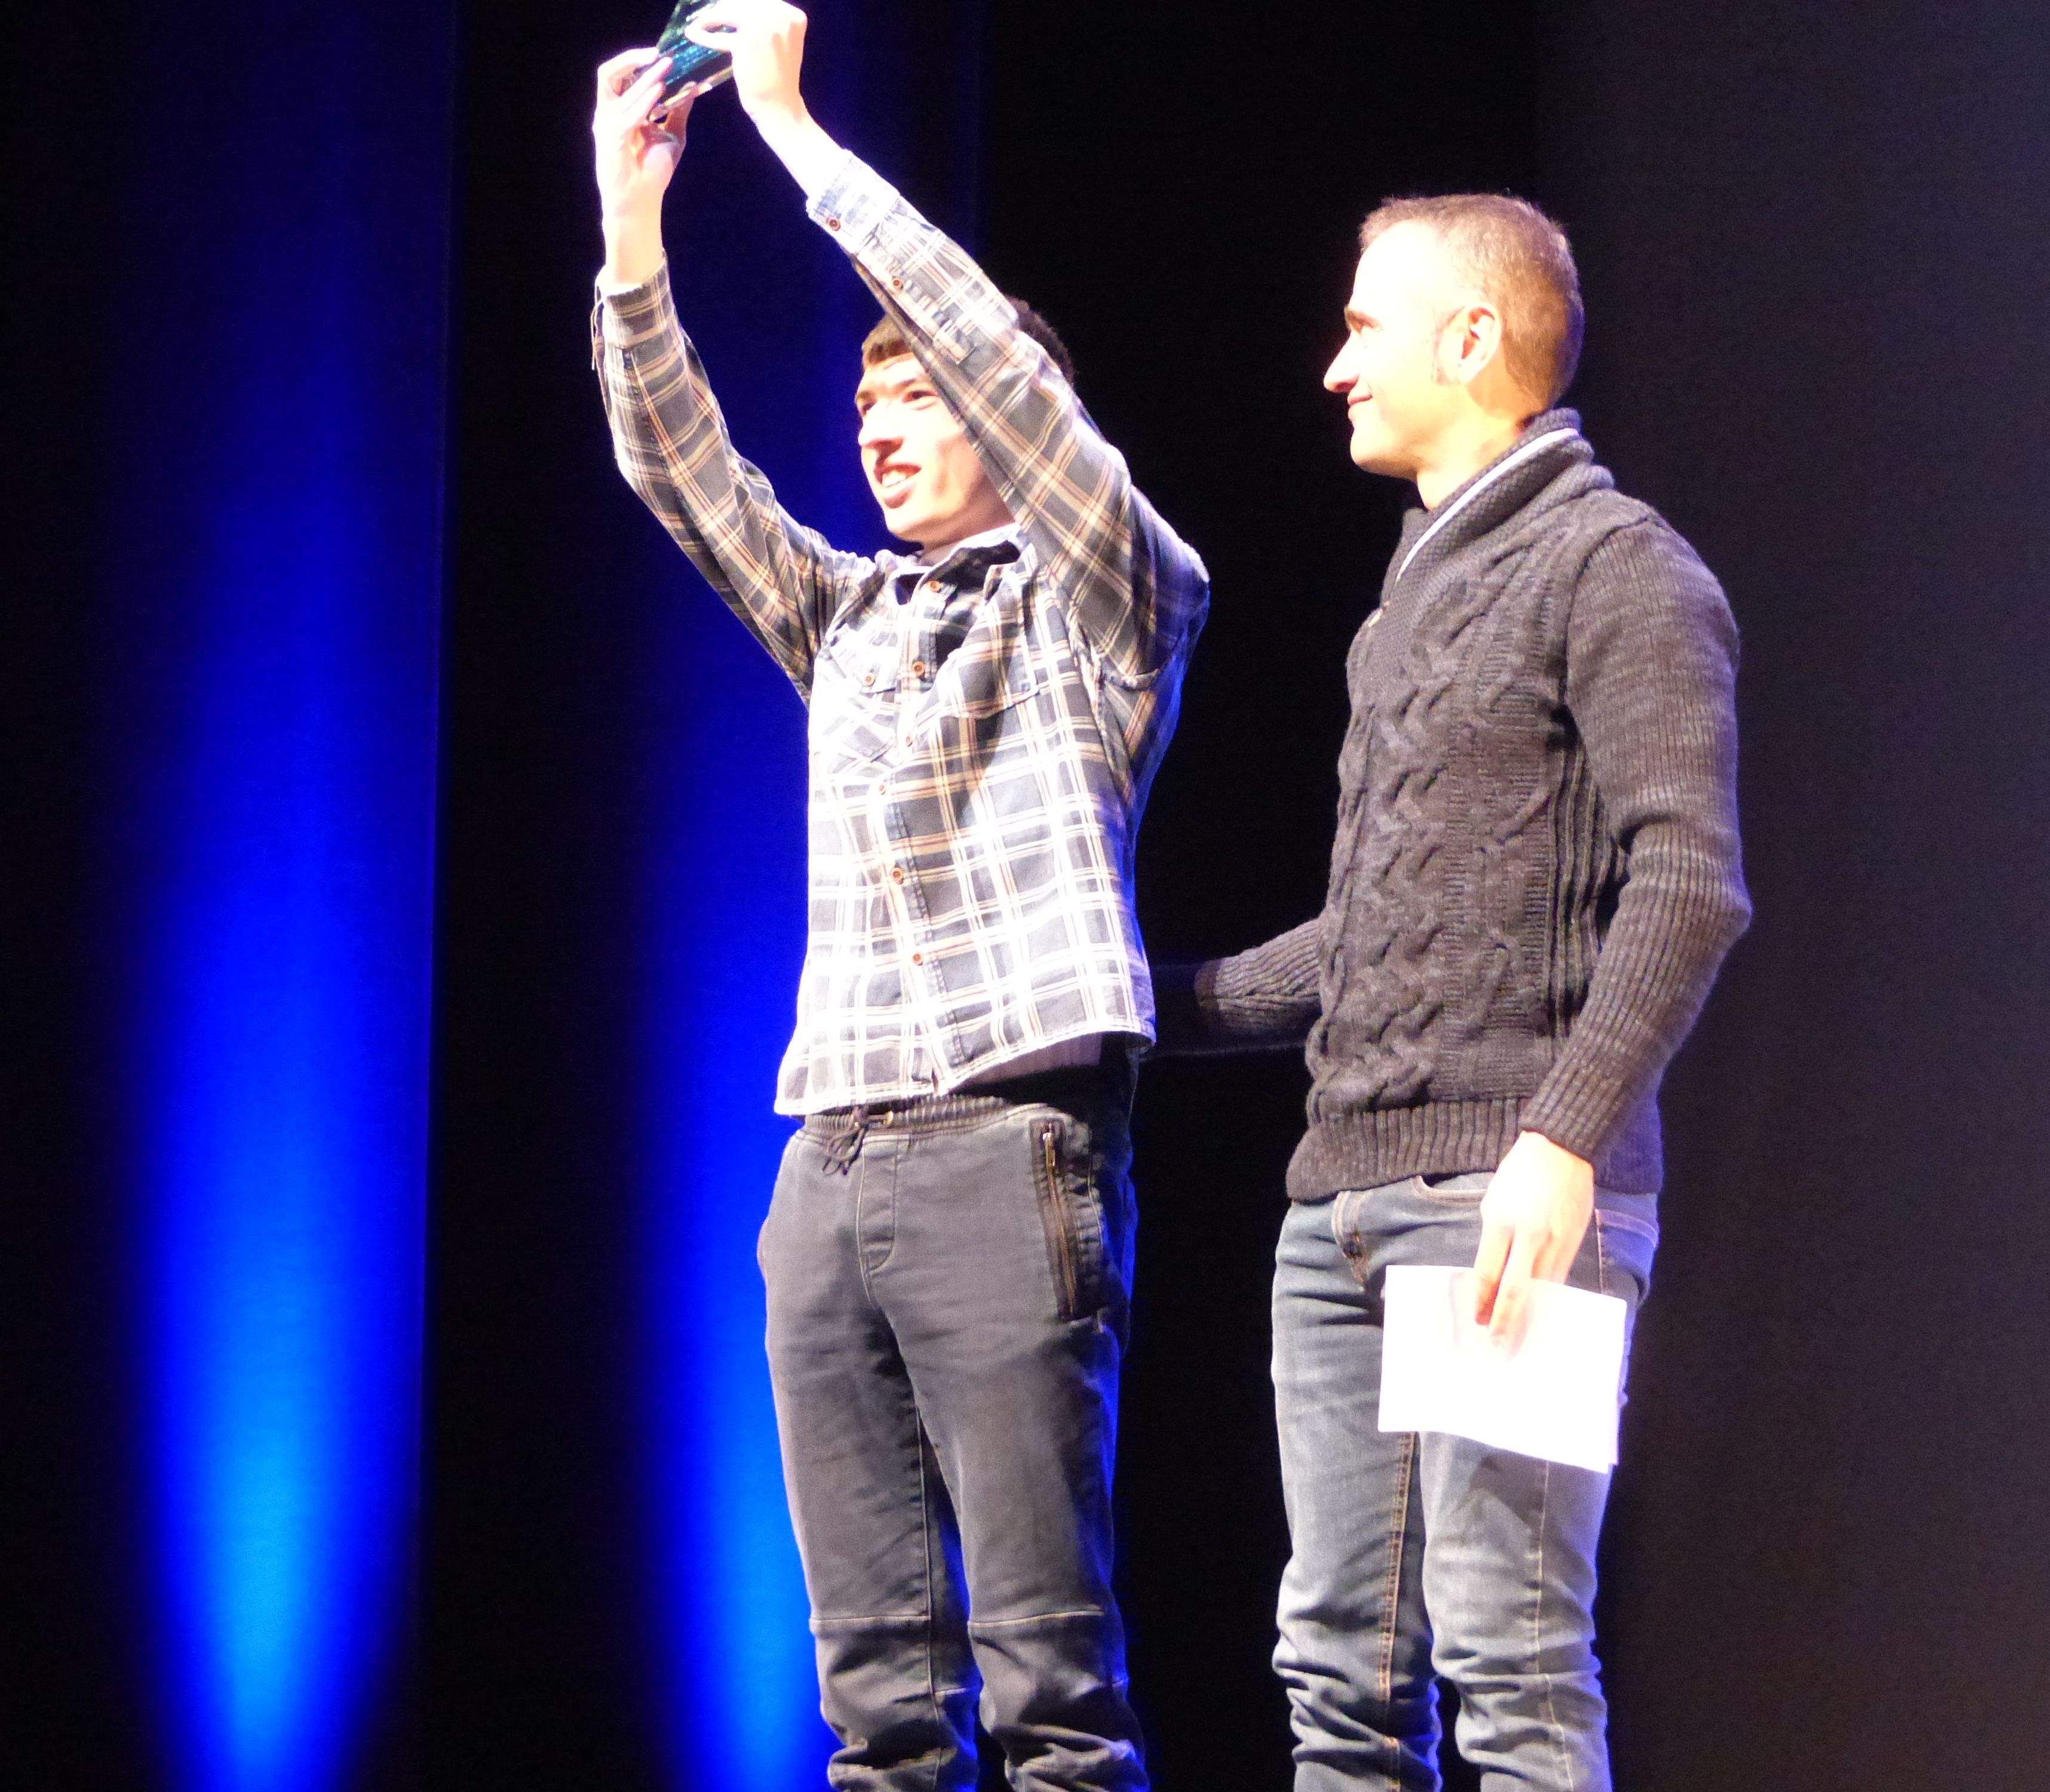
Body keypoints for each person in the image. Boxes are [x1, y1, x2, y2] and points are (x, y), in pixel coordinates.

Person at [590, 5, 1207, 1785]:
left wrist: (790, 134)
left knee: (1051, 1695)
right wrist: (635, 225)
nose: (882, 425)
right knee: (872, 1706)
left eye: (917, 392)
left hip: (1004, 1146)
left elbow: (996, 361)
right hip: (827, 1159)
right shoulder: (852, 621)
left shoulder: (1108, 603)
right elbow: (679, 470)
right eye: (865, 401)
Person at [1158, 194, 1748, 1790]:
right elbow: (1370, 947)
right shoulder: (1407, 604)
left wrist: (1561, 1138)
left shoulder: (1620, 570)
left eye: (1365, 325)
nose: (1338, 364)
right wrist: (1129, 1006)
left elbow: (1689, 884)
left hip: (1505, 1200)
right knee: (1336, 1679)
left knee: (1514, 1660)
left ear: (1471, 338)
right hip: (1334, 1210)